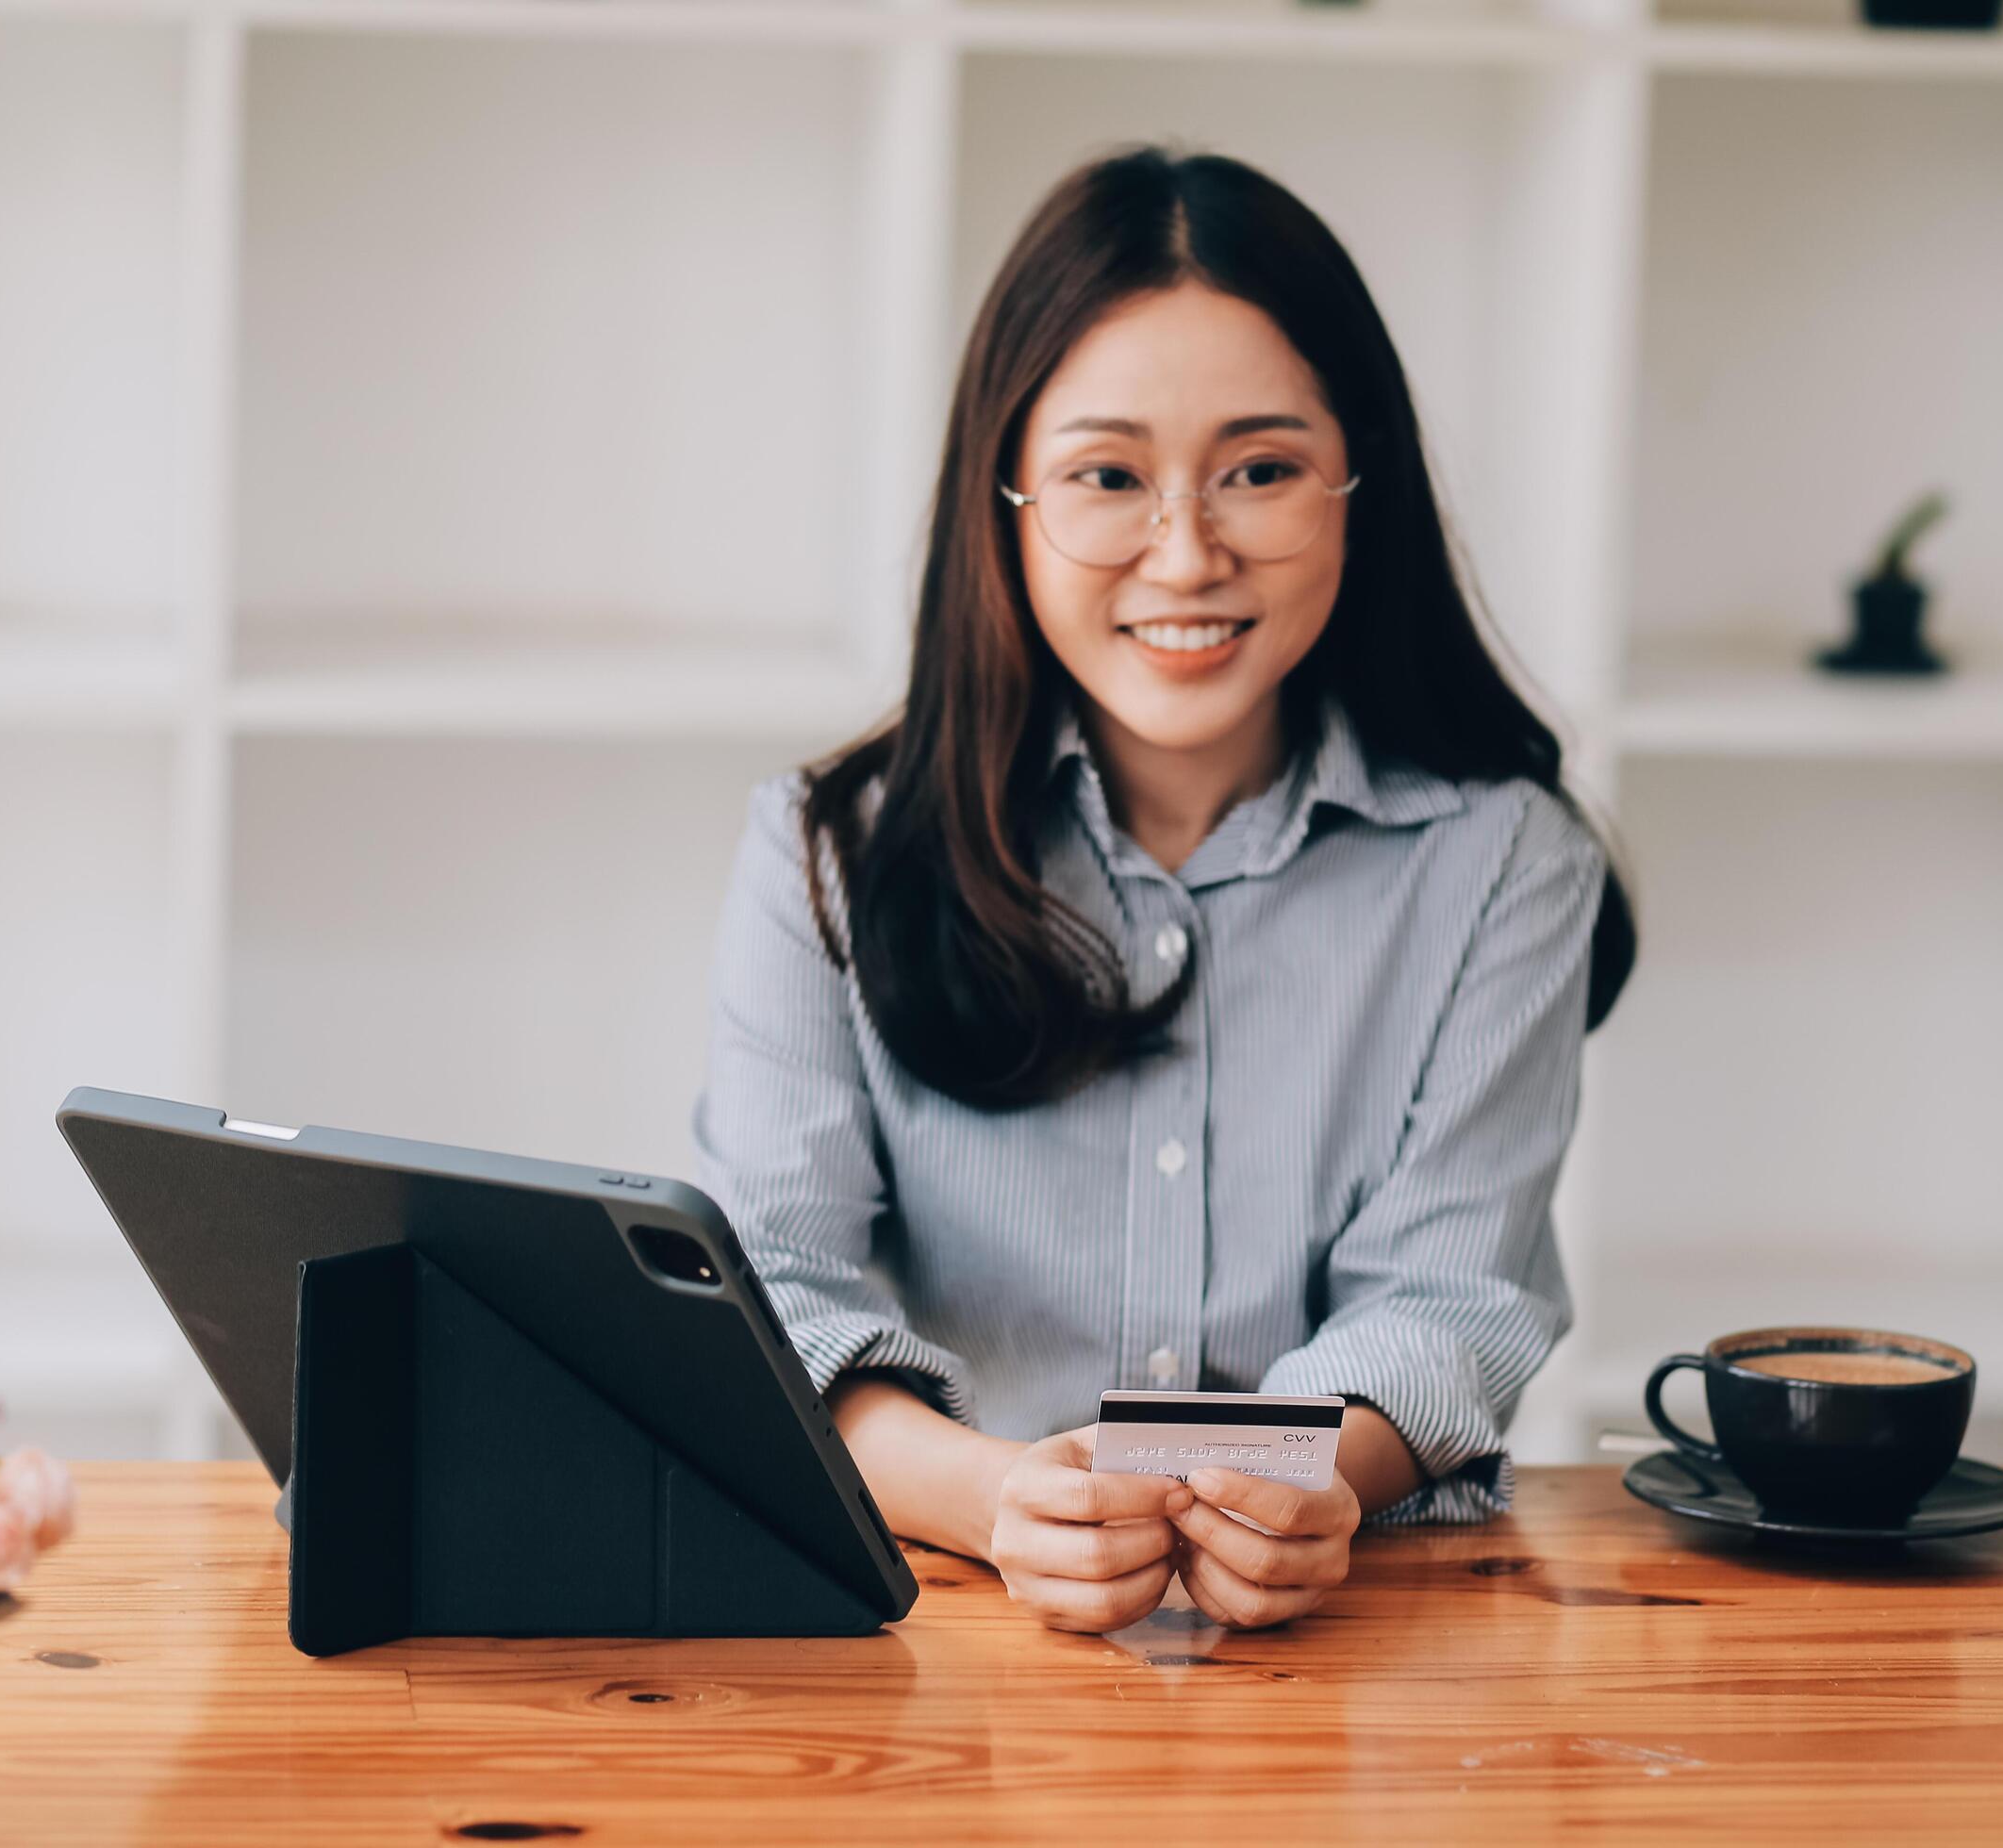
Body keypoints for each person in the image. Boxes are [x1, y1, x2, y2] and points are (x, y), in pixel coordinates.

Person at [689, 144, 1635, 1635]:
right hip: (941, 1626)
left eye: (1260, 470)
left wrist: (1295, 1484)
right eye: (1107, 477)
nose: (1185, 553)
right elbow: (772, 1290)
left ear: (1354, 490)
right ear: (1004, 501)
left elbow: (1453, 1295)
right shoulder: (828, 851)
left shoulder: (1507, 860)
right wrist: (1000, 1504)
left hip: (1361, 1632)